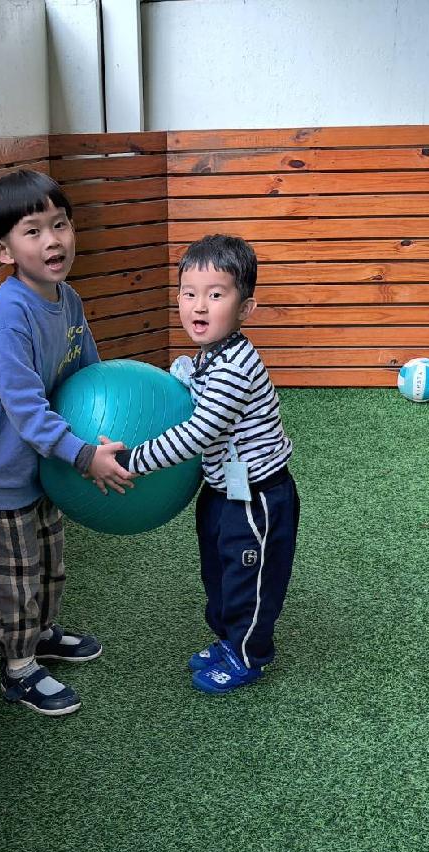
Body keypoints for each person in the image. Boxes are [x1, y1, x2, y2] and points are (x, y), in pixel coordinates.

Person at [0, 169, 132, 716]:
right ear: (2, 251)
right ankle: (18, 667)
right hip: (1, 469)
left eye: (60, 224)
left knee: (50, 559)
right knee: (15, 573)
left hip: (43, 465)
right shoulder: (10, 314)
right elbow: (25, 407)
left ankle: (44, 634)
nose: (53, 240)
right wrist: (84, 455)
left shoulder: (67, 298)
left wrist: (105, 428)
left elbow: (88, 374)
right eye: (33, 231)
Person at [116, 234, 299, 694]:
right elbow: (191, 389)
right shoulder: (210, 357)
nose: (199, 306)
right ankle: (228, 639)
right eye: (189, 293)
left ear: (245, 308)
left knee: (248, 579)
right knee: (218, 573)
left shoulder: (236, 366)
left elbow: (198, 433)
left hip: (258, 498)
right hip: (221, 490)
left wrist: (134, 460)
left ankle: (249, 656)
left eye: (216, 295)